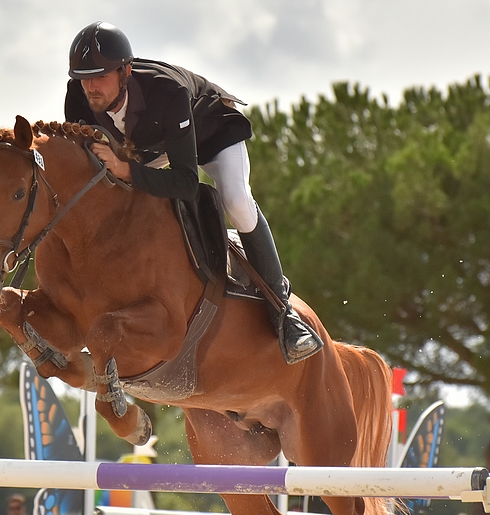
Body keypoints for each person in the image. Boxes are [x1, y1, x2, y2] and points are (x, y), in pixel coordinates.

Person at [64, 21, 322, 364]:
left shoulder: (165, 90)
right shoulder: (77, 99)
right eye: (84, 77)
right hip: (152, 148)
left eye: (100, 76)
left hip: (212, 132)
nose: (91, 87)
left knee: (237, 203)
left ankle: (283, 313)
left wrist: (126, 170)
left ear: (125, 71)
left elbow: (186, 183)